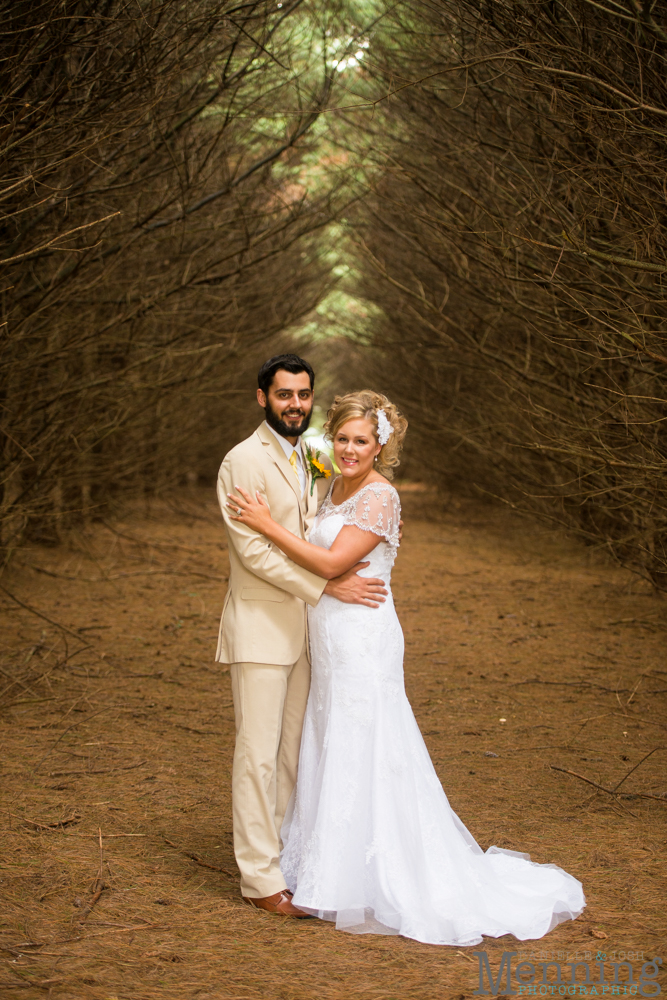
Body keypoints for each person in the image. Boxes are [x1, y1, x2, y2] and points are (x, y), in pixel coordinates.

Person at [226, 389, 586, 947]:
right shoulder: (331, 486)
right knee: (327, 739)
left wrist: (262, 522)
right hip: (327, 635)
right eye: (341, 438)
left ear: (380, 446)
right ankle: (322, 862)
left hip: (362, 638)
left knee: (365, 741)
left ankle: (377, 871)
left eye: (361, 441)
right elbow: (324, 562)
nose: (349, 449)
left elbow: (328, 561)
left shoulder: (379, 497)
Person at [216, 356, 389, 919]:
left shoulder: (307, 457)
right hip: (263, 627)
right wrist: (326, 586)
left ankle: (285, 860)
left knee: (293, 755)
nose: (295, 403)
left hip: (310, 636)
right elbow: (255, 550)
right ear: (261, 397)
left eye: (304, 394)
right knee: (257, 757)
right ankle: (260, 879)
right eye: (284, 394)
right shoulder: (243, 461)